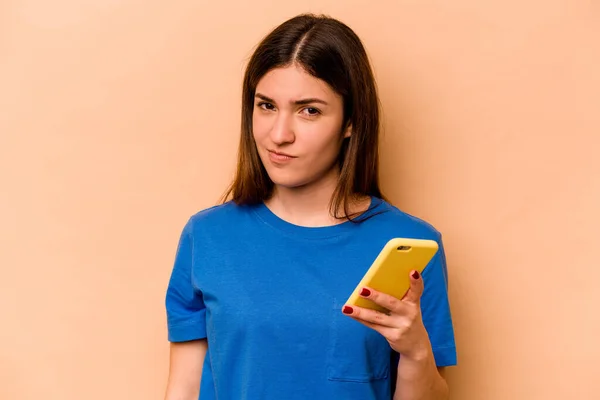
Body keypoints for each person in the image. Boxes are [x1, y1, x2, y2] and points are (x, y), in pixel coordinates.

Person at [164, 13, 456, 400]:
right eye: (266, 105)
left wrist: (417, 350)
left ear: (351, 122)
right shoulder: (207, 237)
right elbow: (182, 389)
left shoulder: (410, 245)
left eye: (310, 110)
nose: (279, 135)